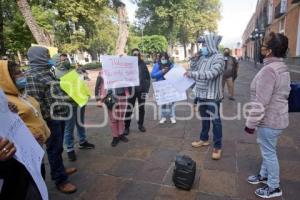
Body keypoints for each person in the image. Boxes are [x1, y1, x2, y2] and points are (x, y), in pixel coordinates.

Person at [25, 46, 77, 193]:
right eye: (47, 55)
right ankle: (60, 180)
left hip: (59, 115)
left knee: (59, 147)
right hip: (51, 119)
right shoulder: (32, 76)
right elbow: (36, 104)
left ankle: (60, 169)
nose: (49, 57)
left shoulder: (47, 72)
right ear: (39, 57)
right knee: (54, 149)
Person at [245, 32, 290, 199]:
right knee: (268, 150)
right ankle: (263, 175)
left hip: (269, 120)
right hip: (278, 119)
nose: (261, 47)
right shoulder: (281, 66)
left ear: (269, 51)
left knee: (269, 153)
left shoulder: (269, 70)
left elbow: (261, 102)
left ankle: (274, 187)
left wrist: (250, 124)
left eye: (263, 44)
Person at [0, 60, 51, 178]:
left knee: (40, 173)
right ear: (7, 79)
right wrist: (28, 139)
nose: (23, 75)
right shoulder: (5, 102)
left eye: (22, 71)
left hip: (37, 146)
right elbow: (8, 131)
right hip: (24, 152)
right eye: (18, 73)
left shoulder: (21, 94)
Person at [185, 33, 225, 160]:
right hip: (201, 93)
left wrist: (193, 74)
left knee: (216, 121)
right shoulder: (203, 57)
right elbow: (193, 68)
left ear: (211, 45)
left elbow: (212, 73)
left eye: (204, 45)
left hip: (213, 95)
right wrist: (195, 59)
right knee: (204, 118)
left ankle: (217, 146)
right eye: (201, 45)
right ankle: (204, 139)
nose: (202, 47)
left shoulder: (219, 57)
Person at [95, 72, 129, 147]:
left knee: (121, 118)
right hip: (110, 98)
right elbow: (97, 86)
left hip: (122, 96)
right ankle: (115, 136)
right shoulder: (102, 73)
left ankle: (121, 134)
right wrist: (98, 99)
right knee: (113, 119)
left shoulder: (122, 70)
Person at [123, 48, 151, 135]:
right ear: (132, 55)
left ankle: (141, 125)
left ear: (139, 55)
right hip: (131, 91)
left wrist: (145, 89)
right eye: (134, 54)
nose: (136, 56)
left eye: (137, 54)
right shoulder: (128, 64)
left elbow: (147, 77)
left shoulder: (142, 64)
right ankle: (126, 127)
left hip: (142, 91)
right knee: (129, 109)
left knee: (141, 108)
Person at [151, 52, 176, 124]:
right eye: (162, 58)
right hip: (161, 86)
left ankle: (172, 117)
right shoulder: (157, 65)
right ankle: (163, 117)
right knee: (163, 103)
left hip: (170, 86)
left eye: (165, 58)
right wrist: (161, 71)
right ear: (160, 58)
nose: (163, 60)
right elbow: (152, 75)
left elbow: (176, 74)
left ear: (167, 58)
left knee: (172, 102)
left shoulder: (171, 65)